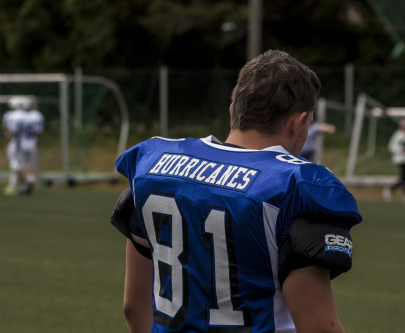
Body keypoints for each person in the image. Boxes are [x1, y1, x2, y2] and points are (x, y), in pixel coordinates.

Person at [111, 50, 362, 333]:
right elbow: (320, 328)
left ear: (233, 110)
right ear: (297, 122)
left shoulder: (153, 164)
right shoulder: (294, 184)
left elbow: (133, 308)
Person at [383, 118, 405, 201]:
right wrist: (400, 150)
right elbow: (392, 147)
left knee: (403, 178)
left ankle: (390, 189)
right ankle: (390, 189)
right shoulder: (397, 135)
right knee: (403, 177)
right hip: (400, 159)